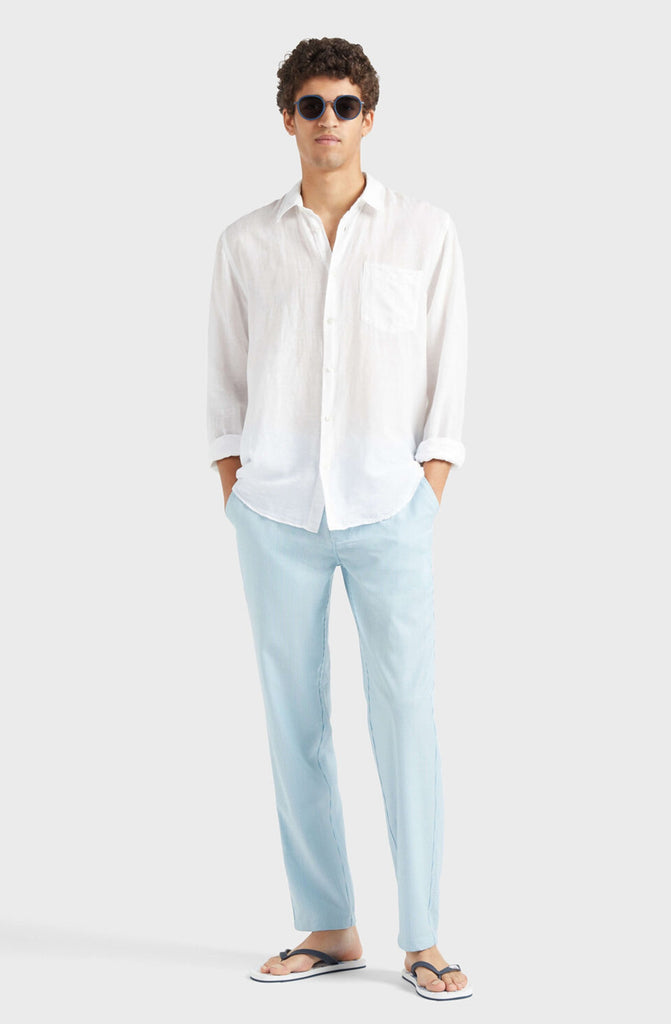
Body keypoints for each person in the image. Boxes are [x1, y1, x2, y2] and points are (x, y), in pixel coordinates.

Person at [206, 36, 472, 1002]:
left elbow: (448, 366)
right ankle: (328, 926)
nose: (328, 120)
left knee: (405, 717)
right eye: (311, 105)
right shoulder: (245, 241)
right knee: (293, 719)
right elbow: (224, 377)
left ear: (369, 117)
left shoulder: (424, 231)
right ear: (286, 118)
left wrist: (427, 483)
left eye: (345, 104)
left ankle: (424, 937)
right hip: (274, 509)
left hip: (387, 506)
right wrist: (235, 485)